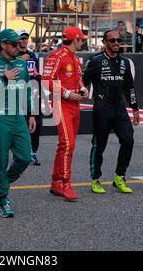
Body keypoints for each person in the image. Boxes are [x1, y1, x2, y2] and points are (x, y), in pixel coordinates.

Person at [0, 29, 36, 218]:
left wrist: (31, 114)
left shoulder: (22, 63)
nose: (19, 47)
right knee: (0, 160)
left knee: (24, 157)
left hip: (19, 116)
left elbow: (28, 89)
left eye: (21, 44)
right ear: (3, 45)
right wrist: (4, 79)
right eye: (14, 44)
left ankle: (1, 183)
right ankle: (3, 198)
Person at [82, 30, 140, 194]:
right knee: (99, 145)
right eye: (112, 40)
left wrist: (135, 108)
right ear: (104, 42)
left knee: (128, 140)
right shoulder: (95, 60)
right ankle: (96, 179)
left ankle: (119, 176)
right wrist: (78, 92)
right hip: (102, 108)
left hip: (120, 108)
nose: (116, 43)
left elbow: (129, 87)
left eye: (118, 40)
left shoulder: (125, 62)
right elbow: (82, 81)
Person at [42, 26, 89, 202]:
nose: (83, 42)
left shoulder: (75, 59)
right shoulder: (57, 56)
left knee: (67, 145)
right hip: (62, 104)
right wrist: (67, 93)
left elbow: (78, 79)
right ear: (75, 40)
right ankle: (65, 184)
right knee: (68, 144)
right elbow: (46, 81)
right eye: (81, 39)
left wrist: (82, 88)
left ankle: (56, 182)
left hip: (75, 105)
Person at [15, 29, 42, 166]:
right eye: (21, 38)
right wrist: (20, 59)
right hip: (18, 92)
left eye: (26, 38)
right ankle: (18, 152)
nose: (24, 41)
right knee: (19, 123)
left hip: (33, 92)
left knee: (36, 123)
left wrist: (38, 78)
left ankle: (33, 152)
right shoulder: (12, 54)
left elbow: (36, 72)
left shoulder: (33, 55)